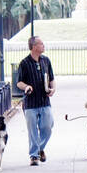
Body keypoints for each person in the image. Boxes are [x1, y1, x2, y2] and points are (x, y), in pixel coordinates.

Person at [16, 35, 56, 165]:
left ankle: (39, 149)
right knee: (32, 130)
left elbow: (51, 79)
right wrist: (26, 86)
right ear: (34, 47)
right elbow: (19, 82)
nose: (43, 46)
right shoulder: (24, 63)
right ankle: (34, 156)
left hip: (44, 101)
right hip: (30, 104)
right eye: (41, 44)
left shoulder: (46, 61)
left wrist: (53, 89)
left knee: (48, 126)